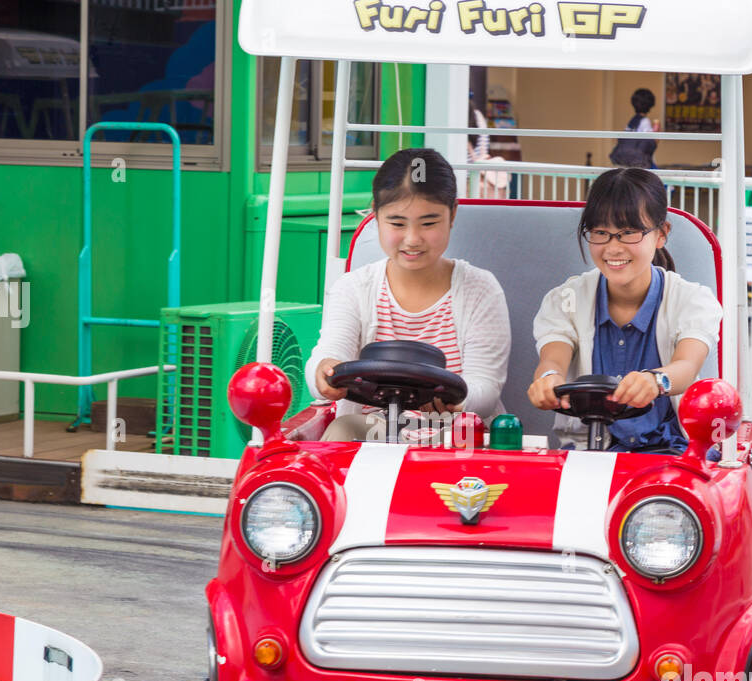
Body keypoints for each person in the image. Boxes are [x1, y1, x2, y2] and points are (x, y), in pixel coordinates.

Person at [307, 147, 511, 440]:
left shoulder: (480, 289)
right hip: (373, 432)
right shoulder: (353, 288)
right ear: (376, 216)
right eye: (397, 223)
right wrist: (324, 372)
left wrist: (456, 399)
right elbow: (328, 355)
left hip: (458, 435)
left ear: (452, 215)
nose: (413, 239)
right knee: (340, 431)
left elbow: (485, 389)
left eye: (428, 223)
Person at [528, 167, 721, 454]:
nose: (612, 248)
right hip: (592, 454)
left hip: (672, 453)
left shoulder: (692, 300)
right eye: (600, 233)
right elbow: (552, 360)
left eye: (628, 233)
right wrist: (547, 381)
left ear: (661, 234)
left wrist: (656, 380)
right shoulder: (566, 299)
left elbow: (686, 366)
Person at [610, 88, 658, 169]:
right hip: (639, 163)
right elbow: (651, 143)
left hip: (626, 162)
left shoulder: (632, 121)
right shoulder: (645, 121)